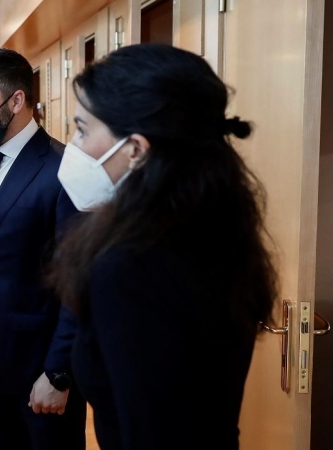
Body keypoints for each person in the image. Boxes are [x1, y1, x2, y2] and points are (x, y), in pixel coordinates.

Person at [49, 43, 279, 449]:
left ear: (135, 149)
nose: (74, 146)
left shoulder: (130, 266)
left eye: (83, 129)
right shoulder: (213, 228)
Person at [0, 47, 87, 450]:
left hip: (39, 371)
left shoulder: (63, 169)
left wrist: (58, 373)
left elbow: (77, 286)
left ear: (16, 100)